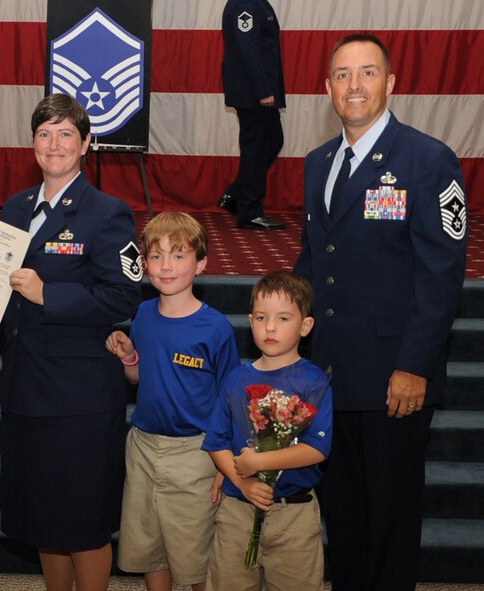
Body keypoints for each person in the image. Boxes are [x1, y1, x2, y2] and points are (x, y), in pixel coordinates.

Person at [294, 34, 469, 591]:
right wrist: (283, 319)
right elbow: (316, 258)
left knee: (390, 520)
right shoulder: (317, 161)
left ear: (390, 84)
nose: (354, 85)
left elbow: (440, 275)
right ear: (328, 88)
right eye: (342, 75)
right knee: (342, 514)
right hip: (331, 373)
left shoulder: (427, 159)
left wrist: (415, 365)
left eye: (367, 73)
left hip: (395, 374)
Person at [0, 93, 141, 591]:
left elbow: (123, 297)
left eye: (65, 134)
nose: (54, 143)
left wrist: (48, 293)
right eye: (44, 133)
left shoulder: (109, 213)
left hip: (78, 395)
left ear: (85, 144)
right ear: (32, 143)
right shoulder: (16, 208)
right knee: (43, 519)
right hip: (24, 387)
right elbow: (2, 292)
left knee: (82, 522)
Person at [105, 212, 241, 591]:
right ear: (144, 263)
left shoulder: (215, 328)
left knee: (196, 556)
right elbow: (138, 378)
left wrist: (224, 461)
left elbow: (230, 400)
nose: (166, 266)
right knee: (151, 549)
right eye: (156, 256)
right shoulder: (143, 315)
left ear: (201, 263)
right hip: (144, 446)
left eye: (178, 256)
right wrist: (129, 356)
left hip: (196, 453)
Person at [202, 270, 332, 591]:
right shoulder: (236, 379)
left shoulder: (313, 382)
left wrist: (259, 463)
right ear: (250, 320)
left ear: (305, 326)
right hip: (237, 510)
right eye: (261, 317)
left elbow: (317, 449)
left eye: (283, 318)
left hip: (294, 515)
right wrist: (241, 482)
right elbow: (216, 442)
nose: (270, 327)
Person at [216, 0, 286, 230]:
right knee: (256, 147)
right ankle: (250, 211)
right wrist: (263, 91)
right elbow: (248, 49)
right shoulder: (245, 4)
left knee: (272, 140)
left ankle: (237, 195)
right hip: (253, 92)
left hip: (257, 90)